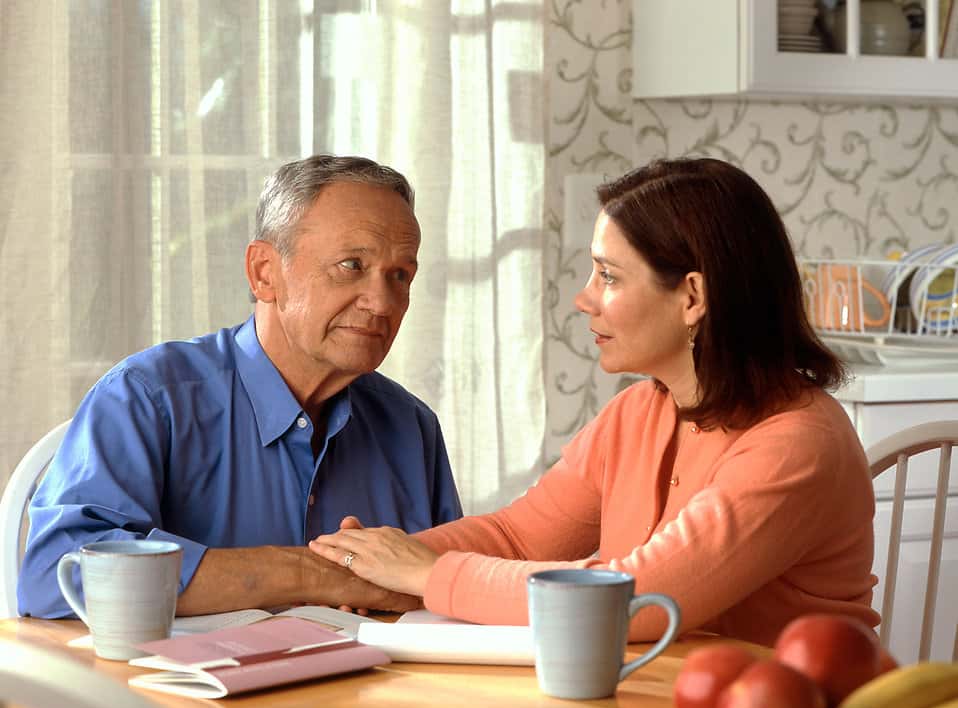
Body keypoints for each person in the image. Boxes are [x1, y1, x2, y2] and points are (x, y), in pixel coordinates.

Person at [309, 157, 880, 647]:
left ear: (692, 297)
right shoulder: (638, 413)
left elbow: (638, 600)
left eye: (608, 276)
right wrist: (377, 563)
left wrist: (426, 575)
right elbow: (518, 538)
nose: (583, 298)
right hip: (662, 704)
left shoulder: (797, 444)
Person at [19, 154, 462, 619]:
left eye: (400, 275)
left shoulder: (412, 426)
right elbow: (54, 577)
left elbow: (454, 590)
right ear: (264, 272)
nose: (383, 302)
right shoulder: (145, 398)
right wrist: (312, 575)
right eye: (352, 265)